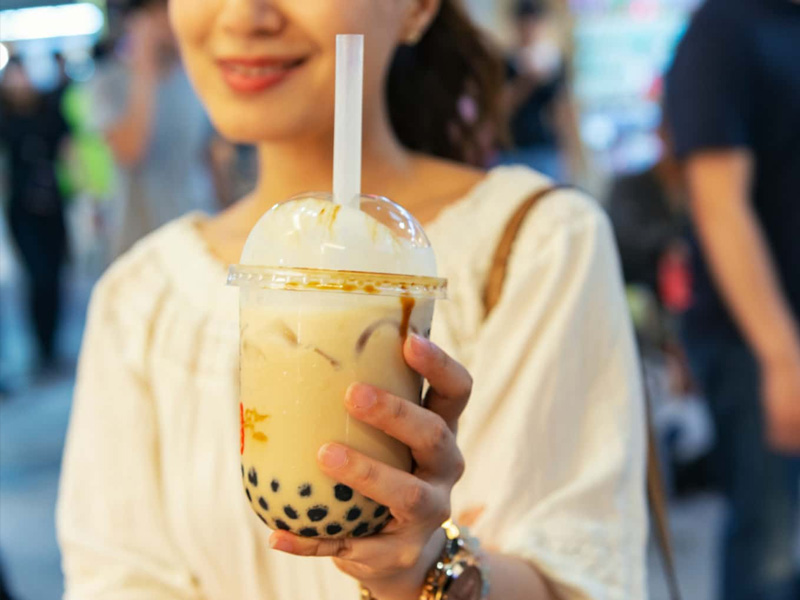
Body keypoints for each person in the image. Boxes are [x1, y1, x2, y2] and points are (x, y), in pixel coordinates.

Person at [57, 2, 646, 599]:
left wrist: (424, 572)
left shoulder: (537, 244)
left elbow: (583, 576)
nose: (244, 16)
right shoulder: (138, 297)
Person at [665, 1, 800, 599]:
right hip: (757, 341)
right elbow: (721, 205)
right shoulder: (723, 31)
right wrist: (782, 358)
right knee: (766, 540)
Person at [88, 0, 226, 257]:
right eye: (160, 13)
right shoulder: (108, 83)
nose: (171, 23)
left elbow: (211, 157)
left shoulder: (196, 78)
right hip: (137, 240)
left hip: (197, 233)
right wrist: (144, 67)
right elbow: (130, 150)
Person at [0, 57, 71, 371]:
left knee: (55, 276)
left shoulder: (48, 109)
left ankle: (50, 348)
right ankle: (40, 348)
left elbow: (68, 148)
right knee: (37, 276)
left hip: (53, 205)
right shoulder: (5, 117)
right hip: (22, 210)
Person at [501, 0, 584, 182]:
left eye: (534, 22)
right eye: (525, 23)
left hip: (545, 149)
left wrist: (570, 152)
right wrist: (527, 81)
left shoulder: (553, 62)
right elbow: (500, 108)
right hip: (512, 149)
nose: (529, 29)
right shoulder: (504, 62)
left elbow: (563, 109)